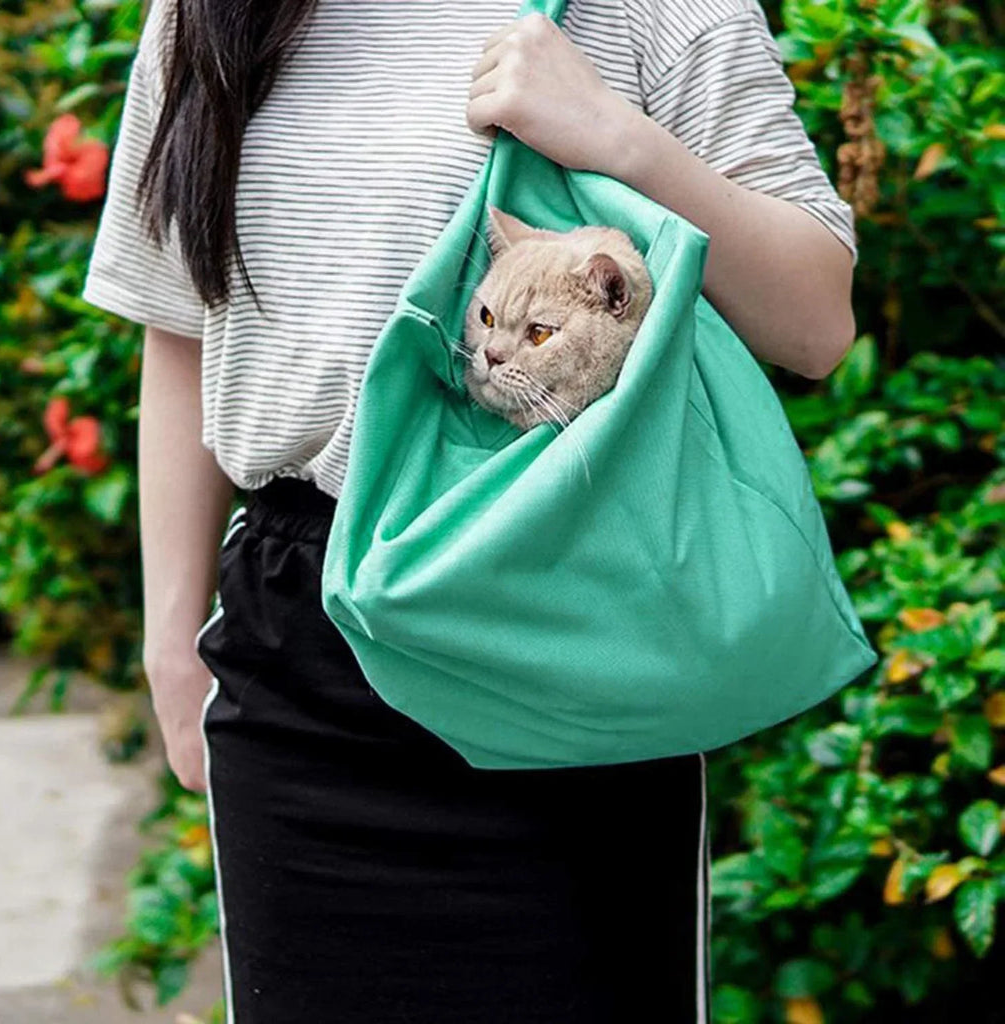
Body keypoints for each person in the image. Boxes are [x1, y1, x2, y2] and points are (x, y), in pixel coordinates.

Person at [81, 0, 858, 1020]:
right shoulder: (210, 14)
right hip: (297, 651)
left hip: (559, 617)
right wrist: (171, 645)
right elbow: (180, 319)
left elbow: (816, 321)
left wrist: (617, 139)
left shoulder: (653, 11)